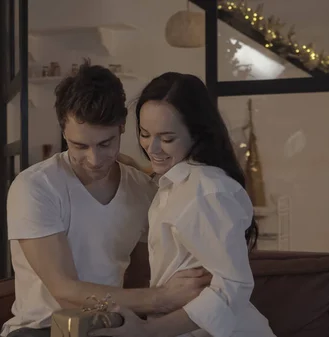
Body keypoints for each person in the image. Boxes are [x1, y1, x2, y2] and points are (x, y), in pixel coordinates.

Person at [0, 62, 212, 337]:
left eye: (105, 144)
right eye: (79, 146)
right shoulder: (35, 187)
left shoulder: (142, 190)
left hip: (111, 325)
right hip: (40, 329)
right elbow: (66, 293)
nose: (94, 159)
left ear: (123, 127)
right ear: (64, 131)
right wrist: (162, 297)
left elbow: (141, 276)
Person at [90, 73, 275, 337]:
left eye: (166, 139)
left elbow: (233, 286)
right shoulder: (176, 184)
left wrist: (147, 331)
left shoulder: (205, 191)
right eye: (144, 133)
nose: (152, 148)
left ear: (196, 134)